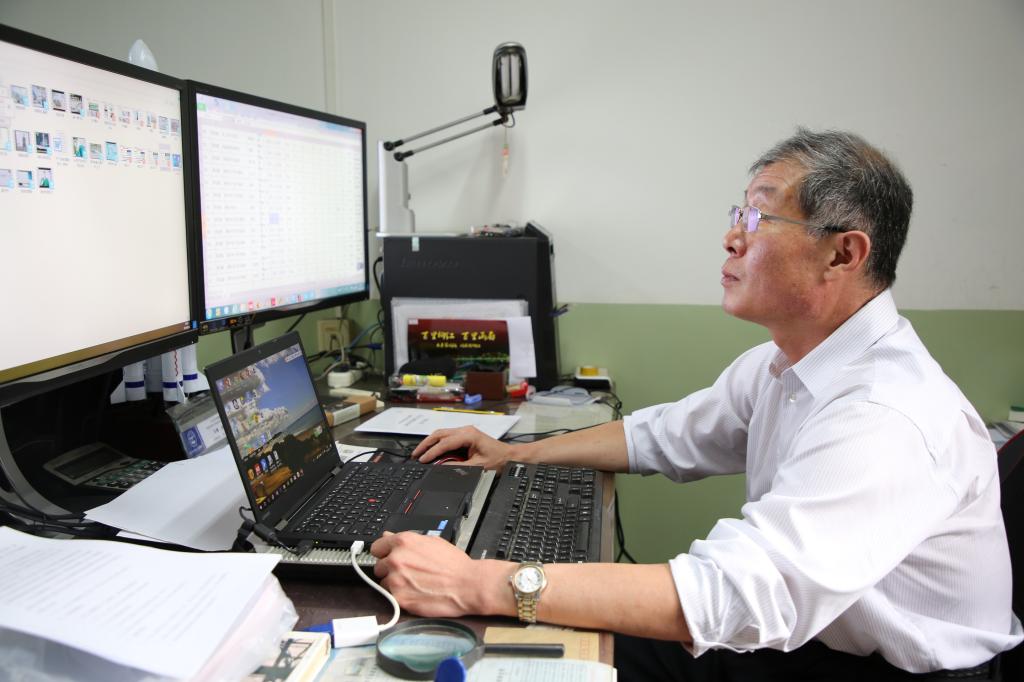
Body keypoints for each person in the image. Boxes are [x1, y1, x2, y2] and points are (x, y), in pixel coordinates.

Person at [370, 129, 1023, 681]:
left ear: (842, 253)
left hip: (899, 671)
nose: (731, 239)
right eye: (737, 215)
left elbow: (739, 592)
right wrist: (516, 454)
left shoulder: (887, 414)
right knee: (559, 642)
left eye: (758, 219)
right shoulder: (787, 362)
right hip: (814, 637)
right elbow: (665, 434)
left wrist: (481, 583)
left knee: (525, 644)